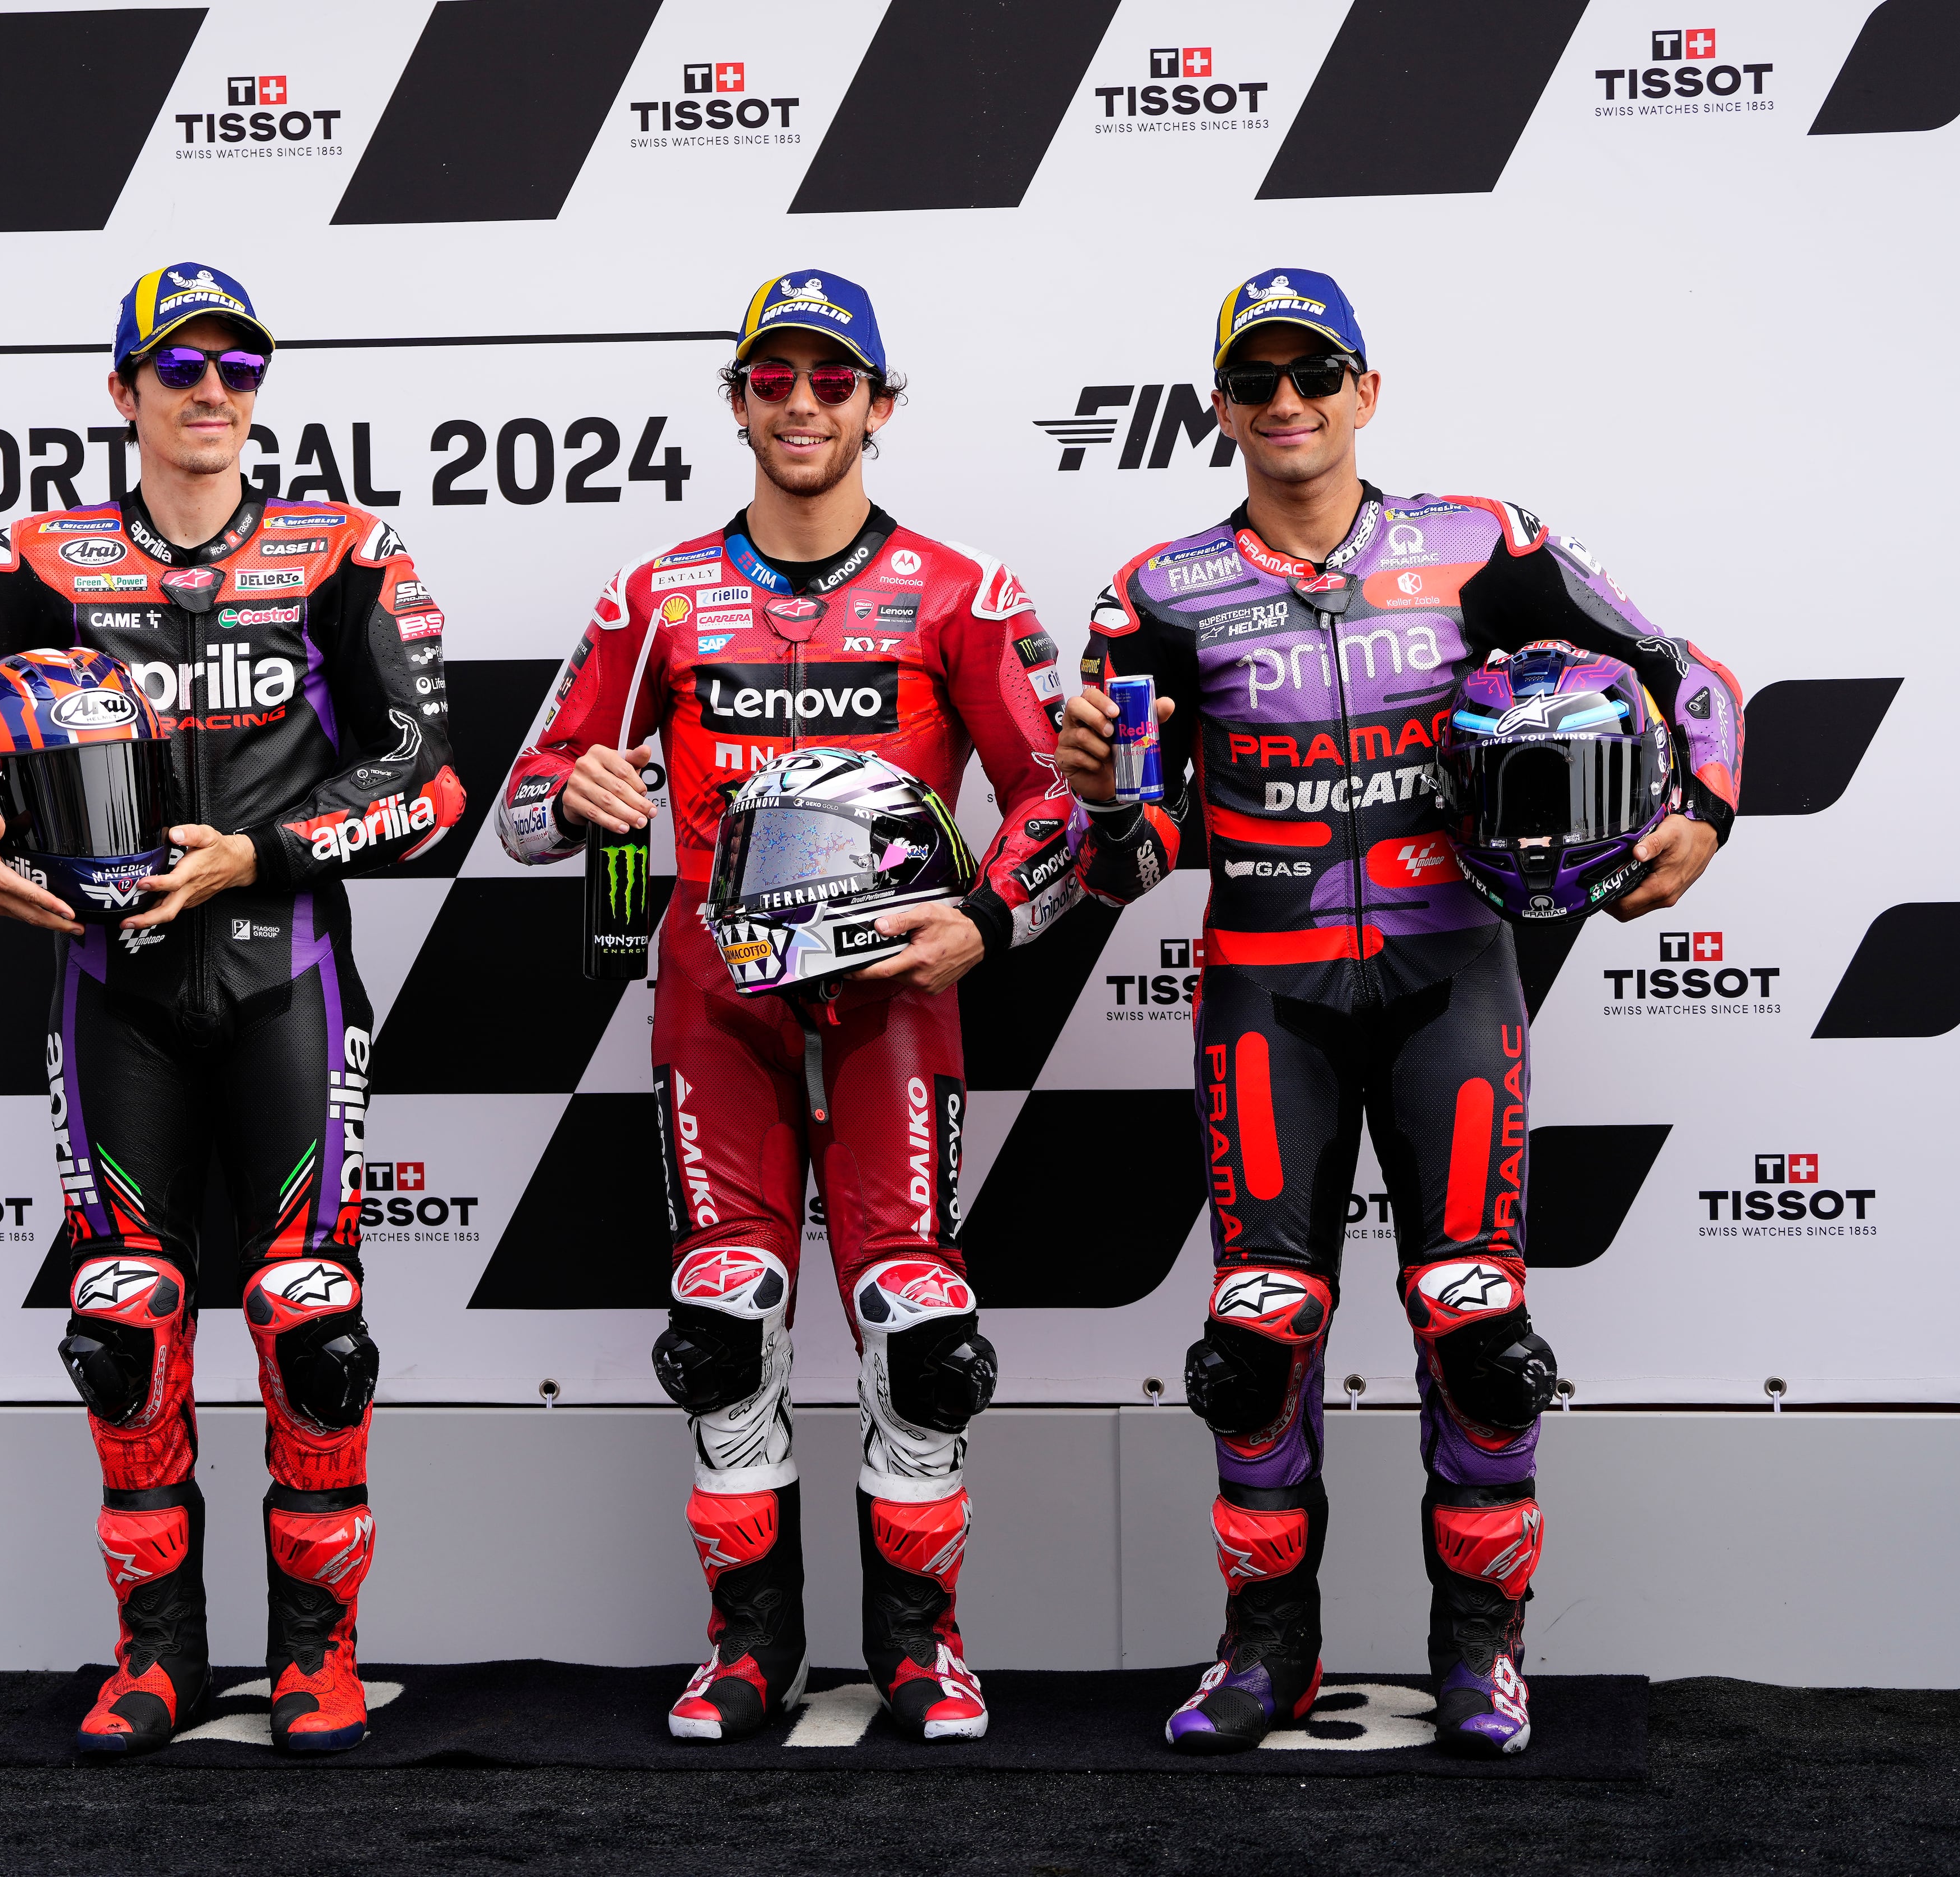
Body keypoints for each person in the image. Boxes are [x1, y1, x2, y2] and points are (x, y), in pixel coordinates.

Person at [1052, 268, 1744, 1756]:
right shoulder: (1155, 594)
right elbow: (1128, 861)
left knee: (1479, 1329)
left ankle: (1481, 1654)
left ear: (1368, 390)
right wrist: (1108, 802)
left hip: (1451, 976)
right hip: (1266, 993)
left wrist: (1706, 816)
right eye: (1258, 380)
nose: (1288, 403)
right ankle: (1265, 1654)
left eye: (1318, 374)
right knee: (1256, 1340)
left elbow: (1691, 681)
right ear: (1221, 406)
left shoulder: (1476, 544)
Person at [0, 262, 463, 1757]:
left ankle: (318, 1656)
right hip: (108, 989)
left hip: (286, 970)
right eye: (179, 368)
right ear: (122, 391)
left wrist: (270, 849)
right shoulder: (37, 559)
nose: (212, 392)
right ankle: (156, 1656)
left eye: (237, 367)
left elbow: (432, 769)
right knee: (123, 1324)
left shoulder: (343, 550)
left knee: (314, 1323)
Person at [496, 270, 1080, 1742]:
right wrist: (577, 794)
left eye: (834, 382)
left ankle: (921, 1648)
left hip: (894, 1011)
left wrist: (986, 923)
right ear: (739, 400)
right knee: (723, 1319)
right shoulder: (652, 600)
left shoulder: (963, 592)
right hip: (718, 1003)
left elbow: (1052, 809)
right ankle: (747, 1647)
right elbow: (518, 811)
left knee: (919, 1327)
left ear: (881, 405)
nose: (804, 404)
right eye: (776, 380)